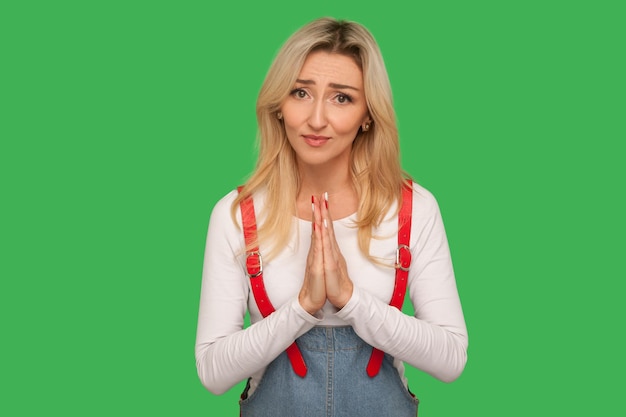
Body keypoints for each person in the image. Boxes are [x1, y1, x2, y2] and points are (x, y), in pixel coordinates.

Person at [195, 17, 468, 417]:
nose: (317, 119)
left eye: (342, 98)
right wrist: (303, 307)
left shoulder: (413, 209)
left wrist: (351, 300)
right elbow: (212, 372)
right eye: (301, 92)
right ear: (279, 106)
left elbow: (451, 359)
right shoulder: (237, 216)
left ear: (368, 115)